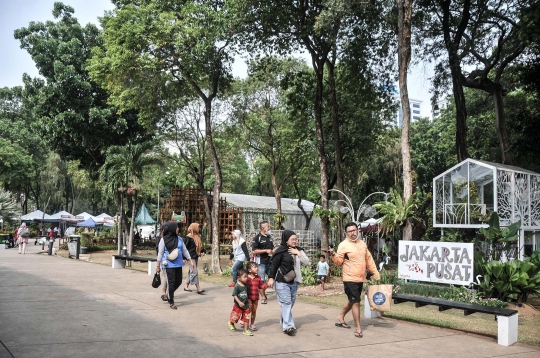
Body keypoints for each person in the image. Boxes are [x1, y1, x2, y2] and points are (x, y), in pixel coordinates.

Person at [328, 222, 379, 338]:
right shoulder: (343, 245)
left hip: (360, 278)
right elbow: (338, 262)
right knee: (356, 302)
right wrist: (333, 254)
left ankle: (341, 316)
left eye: (354, 230)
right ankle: (358, 328)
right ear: (346, 233)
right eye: (350, 231)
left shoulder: (362, 244)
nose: (352, 233)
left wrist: (375, 273)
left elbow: (369, 260)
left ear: (358, 231)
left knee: (353, 300)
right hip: (349, 277)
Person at [268, 230, 310, 336]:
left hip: (294, 281)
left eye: (296, 239)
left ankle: (283, 321)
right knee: (286, 303)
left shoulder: (299, 250)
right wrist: (271, 278)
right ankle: (288, 326)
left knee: (289, 303)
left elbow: (306, 262)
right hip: (282, 281)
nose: (295, 241)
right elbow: (274, 265)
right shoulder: (280, 251)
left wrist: (298, 253)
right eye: (293, 239)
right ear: (286, 240)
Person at [156, 222, 193, 309]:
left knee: (179, 281)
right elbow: (160, 253)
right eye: (176, 228)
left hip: (178, 264)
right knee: (171, 283)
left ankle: (169, 293)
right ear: (172, 229)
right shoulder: (163, 239)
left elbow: (184, 250)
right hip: (168, 264)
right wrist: (158, 266)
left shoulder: (179, 239)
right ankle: (171, 301)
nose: (178, 229)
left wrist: (190, 260)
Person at [252, 221, 274, 304]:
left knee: (273, 277)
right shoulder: (257, 238)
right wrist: (265, 251)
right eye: (268, 226)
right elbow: (254, 251)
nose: (269, 228)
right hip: (261, 262)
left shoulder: (269, 237)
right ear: (263, 228)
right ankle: (263, 297)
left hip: (270, 261)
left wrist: (273, 251)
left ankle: (262, 291)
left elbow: (271, 248)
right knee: (261, 280)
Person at [228, 268, 253, 336]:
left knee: (246, 318)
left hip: (245, 306)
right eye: (244, 277)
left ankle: (246, 330)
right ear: (239, 278)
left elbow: (247, 295)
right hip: (238, 306)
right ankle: (231, 323)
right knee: (235, 317)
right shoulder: (237, 286)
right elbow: (234, 295)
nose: (246, 278)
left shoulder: (246, 286)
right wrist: (239, 302)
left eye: (247, 276)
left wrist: (249, 302)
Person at [184, 222, 206, 294]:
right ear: (194, 228)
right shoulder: (189, 237)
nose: (199, 229)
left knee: (191, 271)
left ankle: (186, 286)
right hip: (190, 257)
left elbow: (200, 246)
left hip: (195, 256)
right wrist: (184, 258)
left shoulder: (197, 236)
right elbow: (184, 248)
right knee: (194, 271)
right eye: (198, 227)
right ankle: (198, 288)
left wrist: (202, 251)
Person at [246, 261, 268, 331]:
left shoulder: (258, 278)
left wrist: (267, 285)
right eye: (255, 267)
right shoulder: (246, 278)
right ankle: (244, 320)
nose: (257, 269)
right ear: (249, 270)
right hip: (248, 297)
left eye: (257, 267)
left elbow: (261, 287)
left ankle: (252, 324)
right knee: (248, 310)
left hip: (255, 298)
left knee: (254, 311)